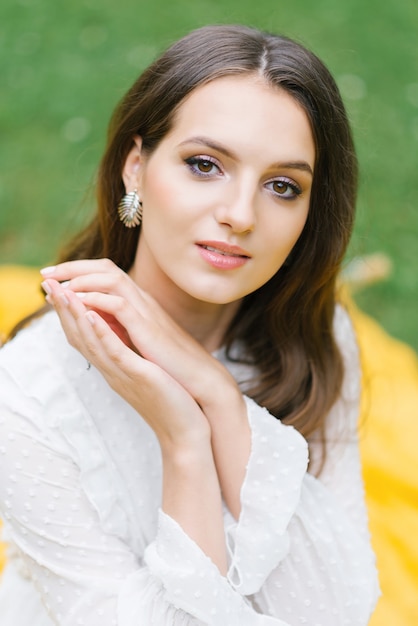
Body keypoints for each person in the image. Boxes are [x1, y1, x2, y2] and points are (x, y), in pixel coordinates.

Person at [0, 24, 379, 625]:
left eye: (283, 186)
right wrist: (184, 442)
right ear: (135, 168)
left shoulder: (314, 336)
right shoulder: (24, 393)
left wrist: (216, 398)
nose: (239, 214)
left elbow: (337, 612)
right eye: (205, 165)